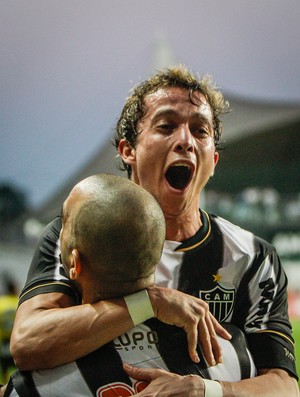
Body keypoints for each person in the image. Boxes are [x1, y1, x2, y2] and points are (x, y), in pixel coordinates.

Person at [10, 66, 299, 396]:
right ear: (128, 151)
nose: (186, 141)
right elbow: (29, 343)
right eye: (167, 126)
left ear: (213, 161)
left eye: (200, 131)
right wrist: (148, 303)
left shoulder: (251, 256)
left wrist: (204, 390)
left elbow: (284, 386)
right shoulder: (80, 228)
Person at [5, 174, 256, 396]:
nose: (58, 232)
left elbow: (28, 344)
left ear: (75, 263)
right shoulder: (233, 354)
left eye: (65, 224)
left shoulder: (40, 381)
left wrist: (146, 303)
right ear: (158, 256)